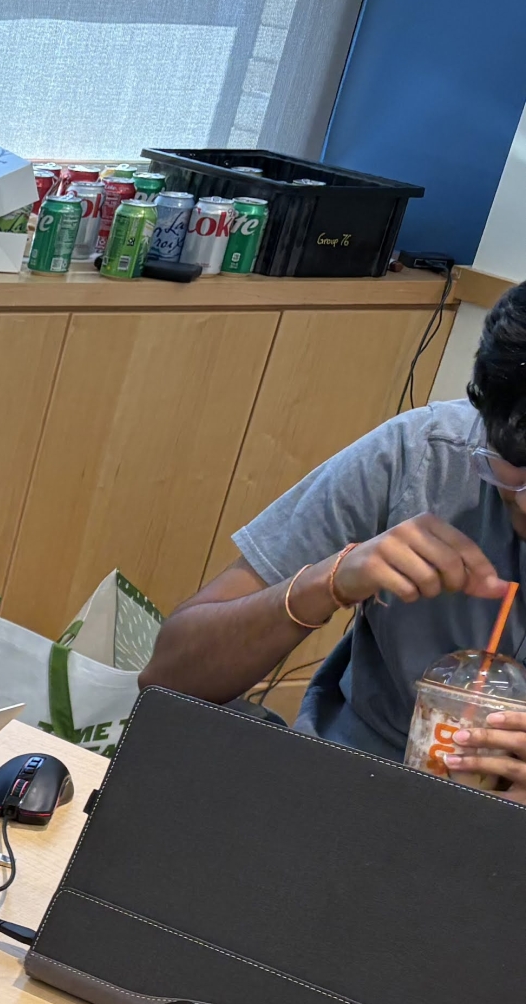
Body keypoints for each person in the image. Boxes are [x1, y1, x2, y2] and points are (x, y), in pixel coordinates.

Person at [140, 283, 526, 796]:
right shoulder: (423, 457)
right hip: (341, 790)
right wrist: (328, 581)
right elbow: (168, 677)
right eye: (512, 470)